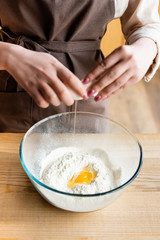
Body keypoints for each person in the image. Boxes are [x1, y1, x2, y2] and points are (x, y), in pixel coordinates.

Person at [0, 0, 160, 132]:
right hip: (14, 93)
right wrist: (7, 55)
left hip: (89, 96)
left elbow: (147, 24)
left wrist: (146, 48)